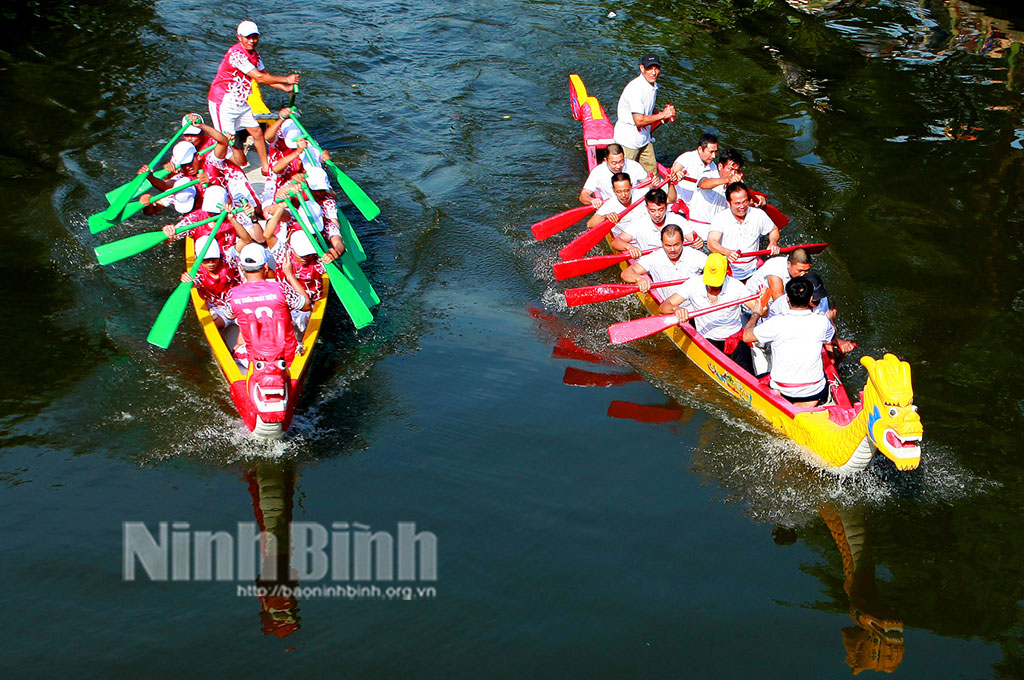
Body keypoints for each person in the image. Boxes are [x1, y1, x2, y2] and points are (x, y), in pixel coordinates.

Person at [208, 20, 300, 176]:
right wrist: (286, 79)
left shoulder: (255, 55)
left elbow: (265, 76)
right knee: (226, 140)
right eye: (248, 37)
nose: (251, 41)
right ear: (239, 37)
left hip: (241, 101)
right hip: (223, 102)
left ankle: (266, 168)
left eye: (254, 37)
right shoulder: (236, 54)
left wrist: (285, 88)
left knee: (257, 132)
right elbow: (259, 77)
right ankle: (221, 171)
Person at [662, 253, 763, 374]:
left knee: (748, 374)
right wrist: (676, 309)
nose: (712, 287)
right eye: (710, 282)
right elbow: (664, 306)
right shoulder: (692, 284)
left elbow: (759, 310)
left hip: (735, 338)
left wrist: (763, 303)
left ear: (725, 274)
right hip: (708, 341)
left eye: (716, 284)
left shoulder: (736, 286)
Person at [743, 276, 835, 407]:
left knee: (760, 374)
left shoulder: (776, 322)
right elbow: (831, 337)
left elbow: (747, 336)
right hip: (814, 391)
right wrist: (831, 319)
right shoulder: (822, 321)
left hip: (784, 390)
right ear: (810, 299)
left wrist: (755, 314)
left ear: (787, 299)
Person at [227, 243, 310, 367]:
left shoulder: (232, 295)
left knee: (237, 345)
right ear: (266, 266)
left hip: (256, 361)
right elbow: (307, 305)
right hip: (286, 357)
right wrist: (289, 275)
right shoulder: (282, 288)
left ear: (242, 268)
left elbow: (230, 316)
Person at [613, 54, 675, 174]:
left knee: (651, 172)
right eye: (649, 68)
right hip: (628, 141)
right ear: (642, 68)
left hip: (644, 139)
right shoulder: (636, 89)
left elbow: (647, 109)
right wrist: (662, 115)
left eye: (656, 68)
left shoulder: (652, 86)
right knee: (623, 175)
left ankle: (652, 190)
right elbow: (639, 120)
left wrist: (662, 114)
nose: (653, 72)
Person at [707, 182, 780, 282]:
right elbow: (711, 243)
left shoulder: (759, 214)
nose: (742, 206)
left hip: (753, 269)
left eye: (745, 202)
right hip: (727, 270)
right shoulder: (720, 218)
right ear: (728, 203)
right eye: (737, 203)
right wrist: (727, 252)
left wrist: (773, 242)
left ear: (749, 200)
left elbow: (774, 230)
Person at [620, 224, 707, 299]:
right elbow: (625, 273)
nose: (672, 250)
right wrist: (639, 279)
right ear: (662, 243)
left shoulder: (696, 255)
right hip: (669, 307)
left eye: (676, 245)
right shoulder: (655, 257)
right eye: (668, 245)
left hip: (696, 303)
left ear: (683, 242)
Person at [179, 234, 247, 329]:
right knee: (209, 327)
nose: (211, 263)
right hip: (218, 310)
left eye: (214, 259)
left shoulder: (229, 258)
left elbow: (245, 239)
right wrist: (187, 281)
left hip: (239, 303)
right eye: (206, 260)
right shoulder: (197, 272)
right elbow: (193, 284)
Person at [610, 188, 703, 256]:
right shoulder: (639, 223)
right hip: (651, 264)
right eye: (652, 210)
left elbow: (694, 239)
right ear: (647, 208)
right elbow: (616, 242)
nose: (657, 215)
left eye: (661, 209)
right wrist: (629, 247)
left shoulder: (678, 220)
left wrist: (698, 243)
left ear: (666, 207)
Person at [579, 143, 648, 208]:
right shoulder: (598, 172)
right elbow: (583, 195)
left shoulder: (634, 165)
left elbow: (647, 183)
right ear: (606, 160)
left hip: (635, 204)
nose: (618, 166)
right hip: (612, 208)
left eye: (621, 161)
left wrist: (653, 184)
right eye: (614, 163)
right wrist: (592, 200)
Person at [669, 133, 719, 204]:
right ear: (700, 149)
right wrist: (676, 173)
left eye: (716, 152)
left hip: (696, 205)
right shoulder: (687, 157)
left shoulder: (713, 166)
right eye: (711, 152)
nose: (714, 156)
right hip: (678, 201)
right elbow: (674, 170)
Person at [747, 247, 812, 303]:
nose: (803, 274)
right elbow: (779, 302)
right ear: (789, 264)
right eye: (800, 271)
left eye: (807, 270)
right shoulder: (775, 268)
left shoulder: (798, 271)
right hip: (752, 304)